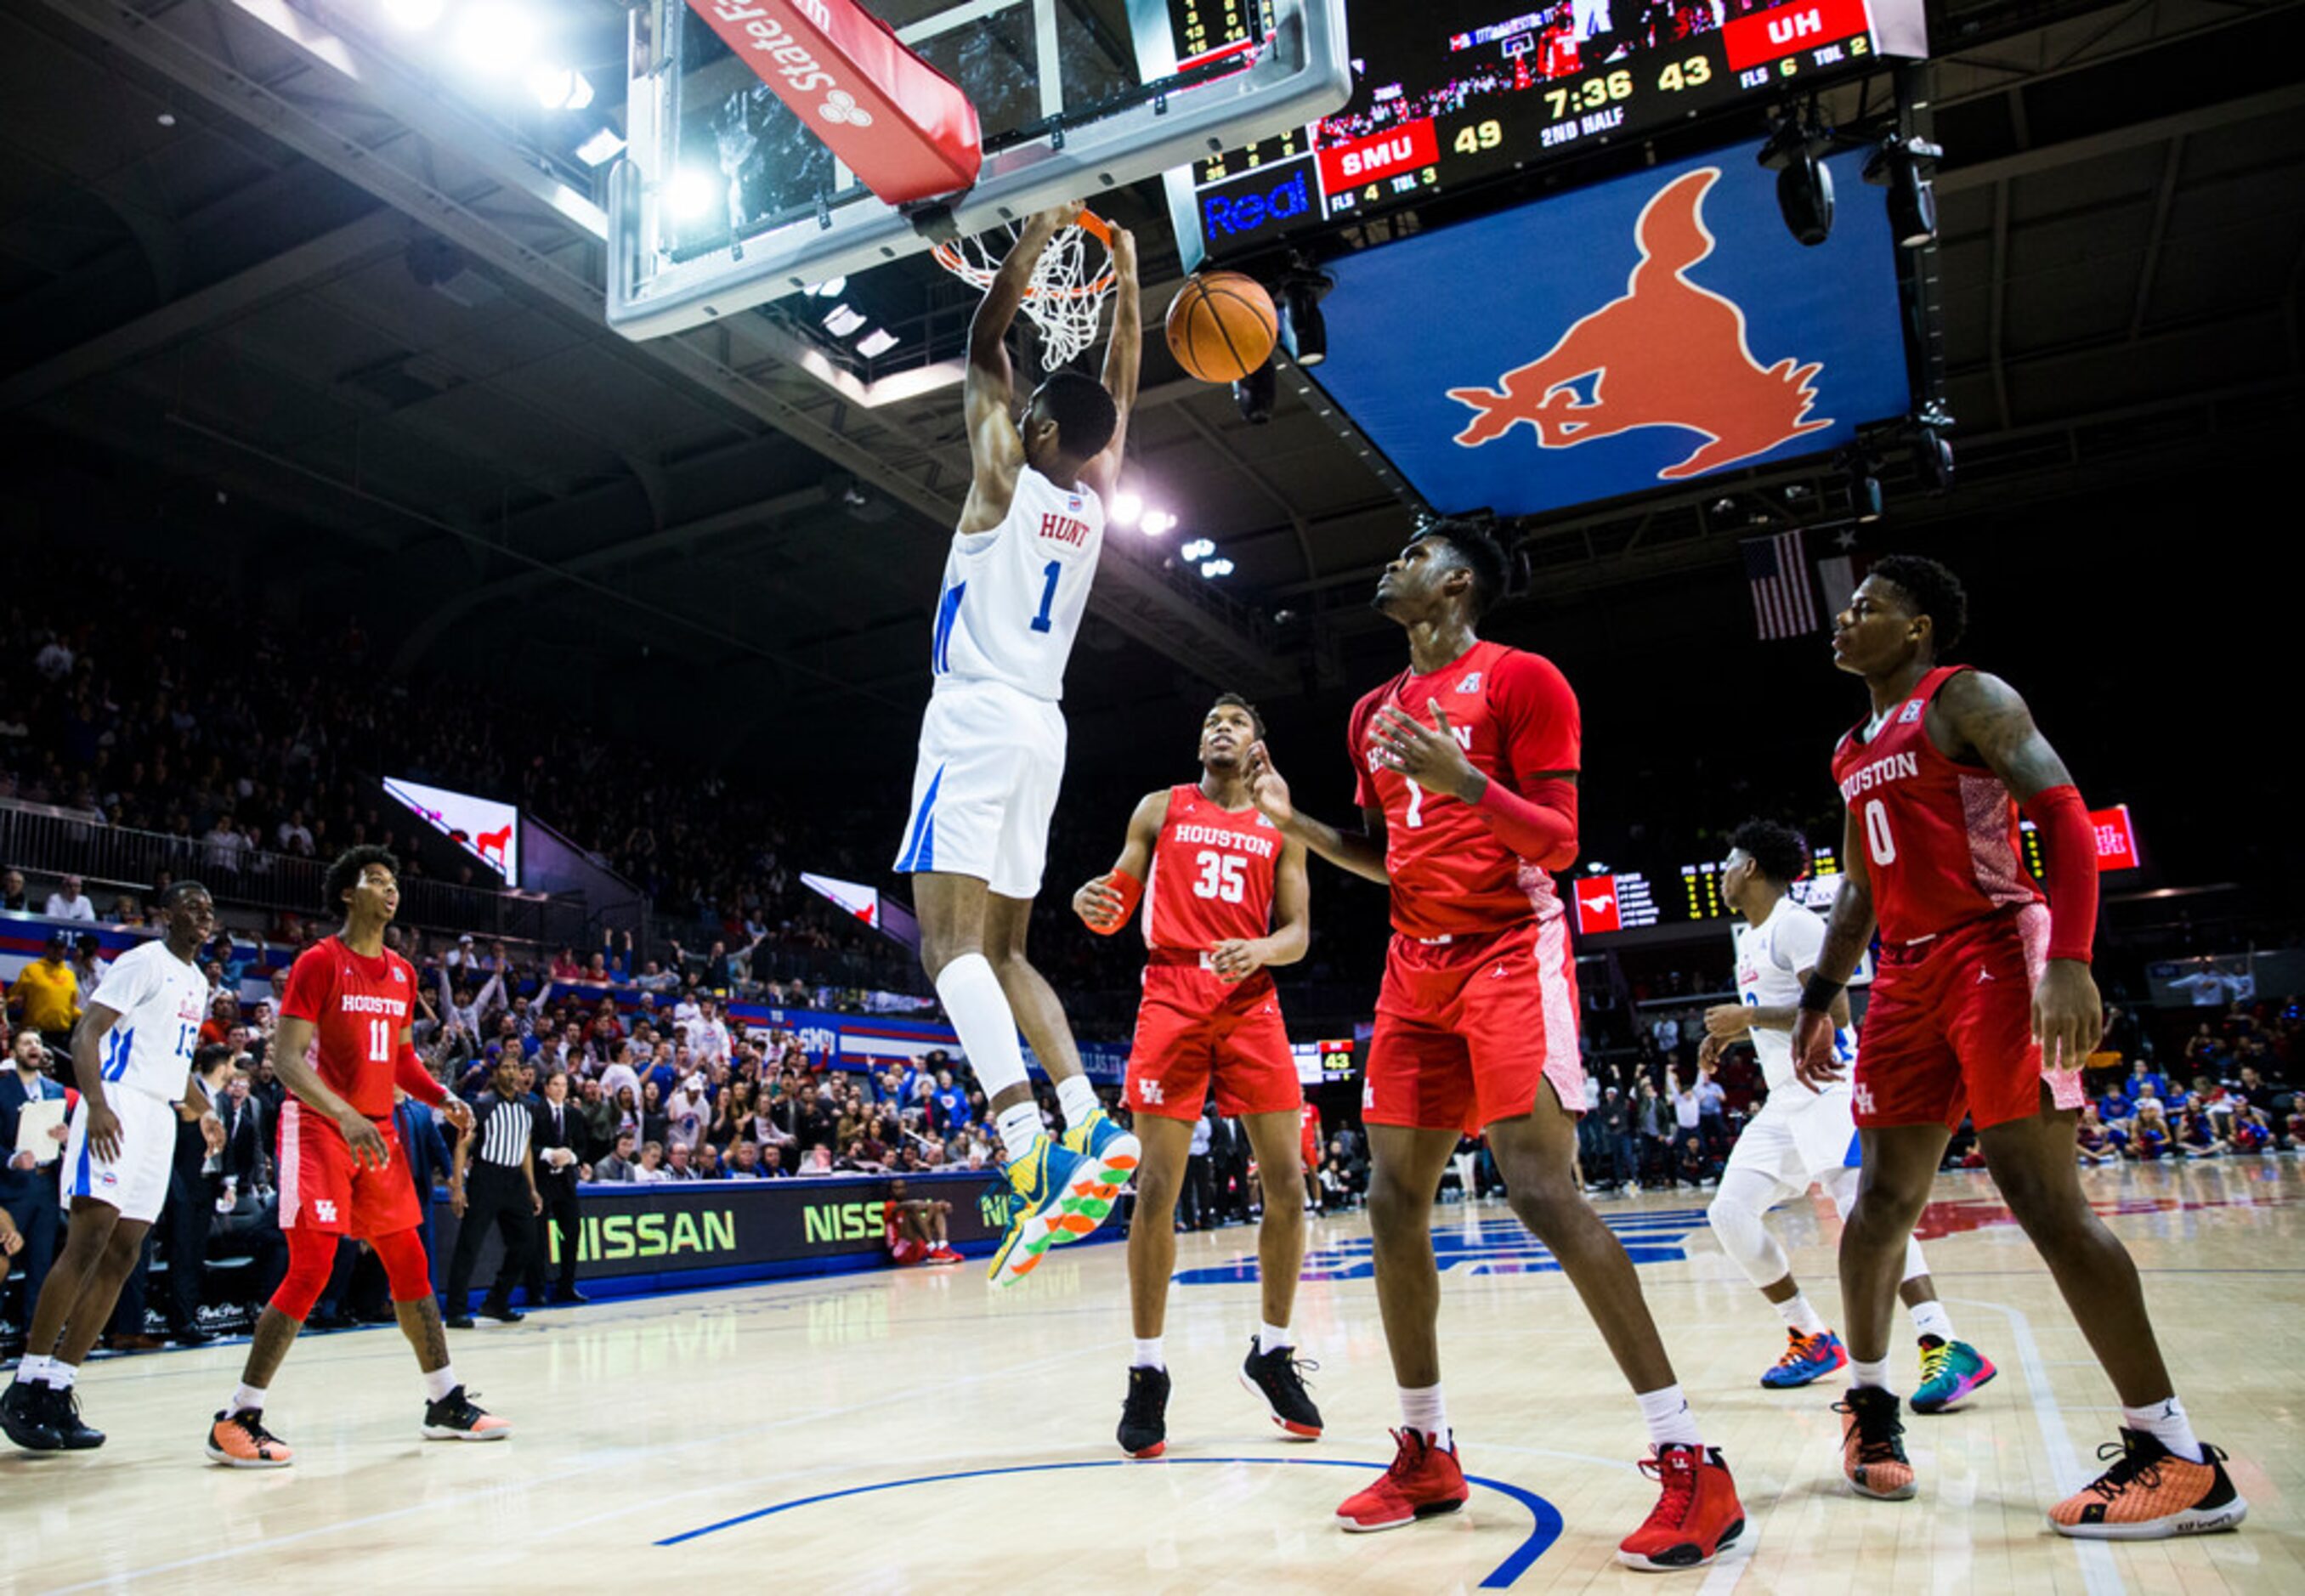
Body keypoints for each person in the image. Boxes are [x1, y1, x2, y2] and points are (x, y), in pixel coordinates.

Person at [1243, 520, 1742, 1566]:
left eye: (1412, 551)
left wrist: (1467, 779)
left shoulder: (1525, 680)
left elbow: (1557, 843)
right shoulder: (1372, 712)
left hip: (1511, 947)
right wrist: (1297, 827)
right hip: (1414, 965)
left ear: (1455, 583)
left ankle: (1690, 1458)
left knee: (1541, 1189)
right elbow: (1385, 858)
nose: (1388, 560)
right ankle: (1426, 1448)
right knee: (1389, 1201)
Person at [1792, 556, 2245, 1537]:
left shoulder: (1967, 697)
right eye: (1846, 605)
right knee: (1877, 1206)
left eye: (1868, 606)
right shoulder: (1849, 747)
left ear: (1918, 630)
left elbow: (2063, 815)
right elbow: (1863, 890)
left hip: (1997, 950)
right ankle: (1870, 1411)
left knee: (2043, 1200)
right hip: (1906, 978)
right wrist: (1822, 997)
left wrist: (2072, 960)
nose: (1844, 617)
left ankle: (2175, 1455)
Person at [890, 201, 1145, 1288]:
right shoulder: (1095, 500)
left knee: (945, 950)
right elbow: (1119, 388)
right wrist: (1126, 273)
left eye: (1030, 412)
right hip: (1046, 728)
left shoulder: (1003, 477)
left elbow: (984, 342)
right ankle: (1090, 1120)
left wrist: (1038, 244)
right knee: (1007, 952)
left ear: (1038, 432)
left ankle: (1024, 1146)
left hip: (977, 715)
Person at [203, 846, 507, 1468]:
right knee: (312, 1266)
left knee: (410, 1265)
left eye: (395, 882)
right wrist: (342, 1113)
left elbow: (400, 1062)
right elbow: (286, 1062)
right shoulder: (319, 963)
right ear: (348, 893)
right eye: (377, 881)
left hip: (377, 1131)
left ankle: (444, 1400)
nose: (390, 891)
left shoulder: (400, 973)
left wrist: (441, 1096)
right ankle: (237, 1416)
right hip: (318, 1125)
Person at [1073, 693, 1318, 1457]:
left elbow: (1299, 933)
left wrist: (1261, 950)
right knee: (1156, 1191)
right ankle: (1148, 1373)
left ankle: (1272, 1352)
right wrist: (1094, 904)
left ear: (1258, 746)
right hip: (1173, 992)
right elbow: (1116, 902)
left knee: (1288, 1183)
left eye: (1236, 721)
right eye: (1211, 720)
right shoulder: (1160, 807)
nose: (1220, 727)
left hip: (1250, 997)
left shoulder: (1282, 826)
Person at [1701, 819, 1995, 1408]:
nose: (1723, 875)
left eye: (1729, 863)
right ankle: (1811, 1334)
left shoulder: (1798, 924)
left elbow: (1833, 1013)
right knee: (1730, 1213)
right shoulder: (1751, 936)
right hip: (1785, 1101)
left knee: (1868, 1215)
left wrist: (1749, 1020)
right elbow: (1780, 1012)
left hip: (1829, 1090)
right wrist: (1734, 1036)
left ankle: (1945, 1341)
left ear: (1751, 868)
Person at [3, 883, 218, 1452]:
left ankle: (60, 1386)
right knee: (89, 1242)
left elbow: (176, 1065)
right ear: (165, 914)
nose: (204, 915)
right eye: (192, 906)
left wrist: (205, 1110)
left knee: (126, 1254)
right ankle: (25, 1384)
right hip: (117, 1103)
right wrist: (95, 1105)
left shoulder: (198, 981)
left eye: (209, 909)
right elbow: (87, 1032)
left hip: (160, 1116)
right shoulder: (142, 960)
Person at [445, 1050, 541, 1327]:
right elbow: (462, 1145)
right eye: (506, 1067)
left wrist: (532, 1188)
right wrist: (458, 1187)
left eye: (516, 1067)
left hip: (515, 1181)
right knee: (470, 1244)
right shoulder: (483, 1105)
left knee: (527, 1242)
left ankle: (497, 1301)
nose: (512, 1072)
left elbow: (526, 1149)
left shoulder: (528, 1107)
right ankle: (455, 1311)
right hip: (486, 1178)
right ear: (496, 1073)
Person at [161, 1044, 241, 1346]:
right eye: (232, 1065)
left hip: (209, 1183)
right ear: (222, 1065)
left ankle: (190, 1316)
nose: (234, 1072)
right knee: (181, 1253)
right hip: (183, 1182)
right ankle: (181, 1321)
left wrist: (229, 1183)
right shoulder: (184, 1093)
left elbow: (228, 1146)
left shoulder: (222, 1099)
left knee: (195, 1254)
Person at [0, 1032, 70, 1312]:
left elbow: (66, 1137)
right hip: (11, 1187)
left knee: (42, 1264)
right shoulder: (2, 1089)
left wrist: (66, 1137)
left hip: (46, 1184)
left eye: (38, 1043)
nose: (34, 1048)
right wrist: (12, 1160)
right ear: (13, 1052)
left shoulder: (55, 1090)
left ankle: (35, 1336)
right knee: (4, 1258)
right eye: (27, 1043)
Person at [527, 1067, 587, 1305]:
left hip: (565, 1182)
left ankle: (567, 1286)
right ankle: (537, 1290)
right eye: (556, 1085)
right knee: (539, 1238)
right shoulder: (534, 1111)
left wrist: (571, 1157)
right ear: (546, 1087)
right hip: (541, 1181)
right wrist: (548, 1153)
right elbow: (526, 1147)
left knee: (572, 1232)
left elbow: (583, 1147)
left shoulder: (573, 1114)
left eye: (563, 1085)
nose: (560, 1089)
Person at [11, 932, 82, 1056]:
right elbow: (13, 997)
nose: (57, 951)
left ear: (66, 950)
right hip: (35, 1034)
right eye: (54, 947)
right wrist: (14, 1001)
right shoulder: (31, 970)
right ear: (46, 948)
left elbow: (71, 1007)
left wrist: (86, 1016)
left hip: (61, 1035)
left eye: (61, 948)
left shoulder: (69, 975)